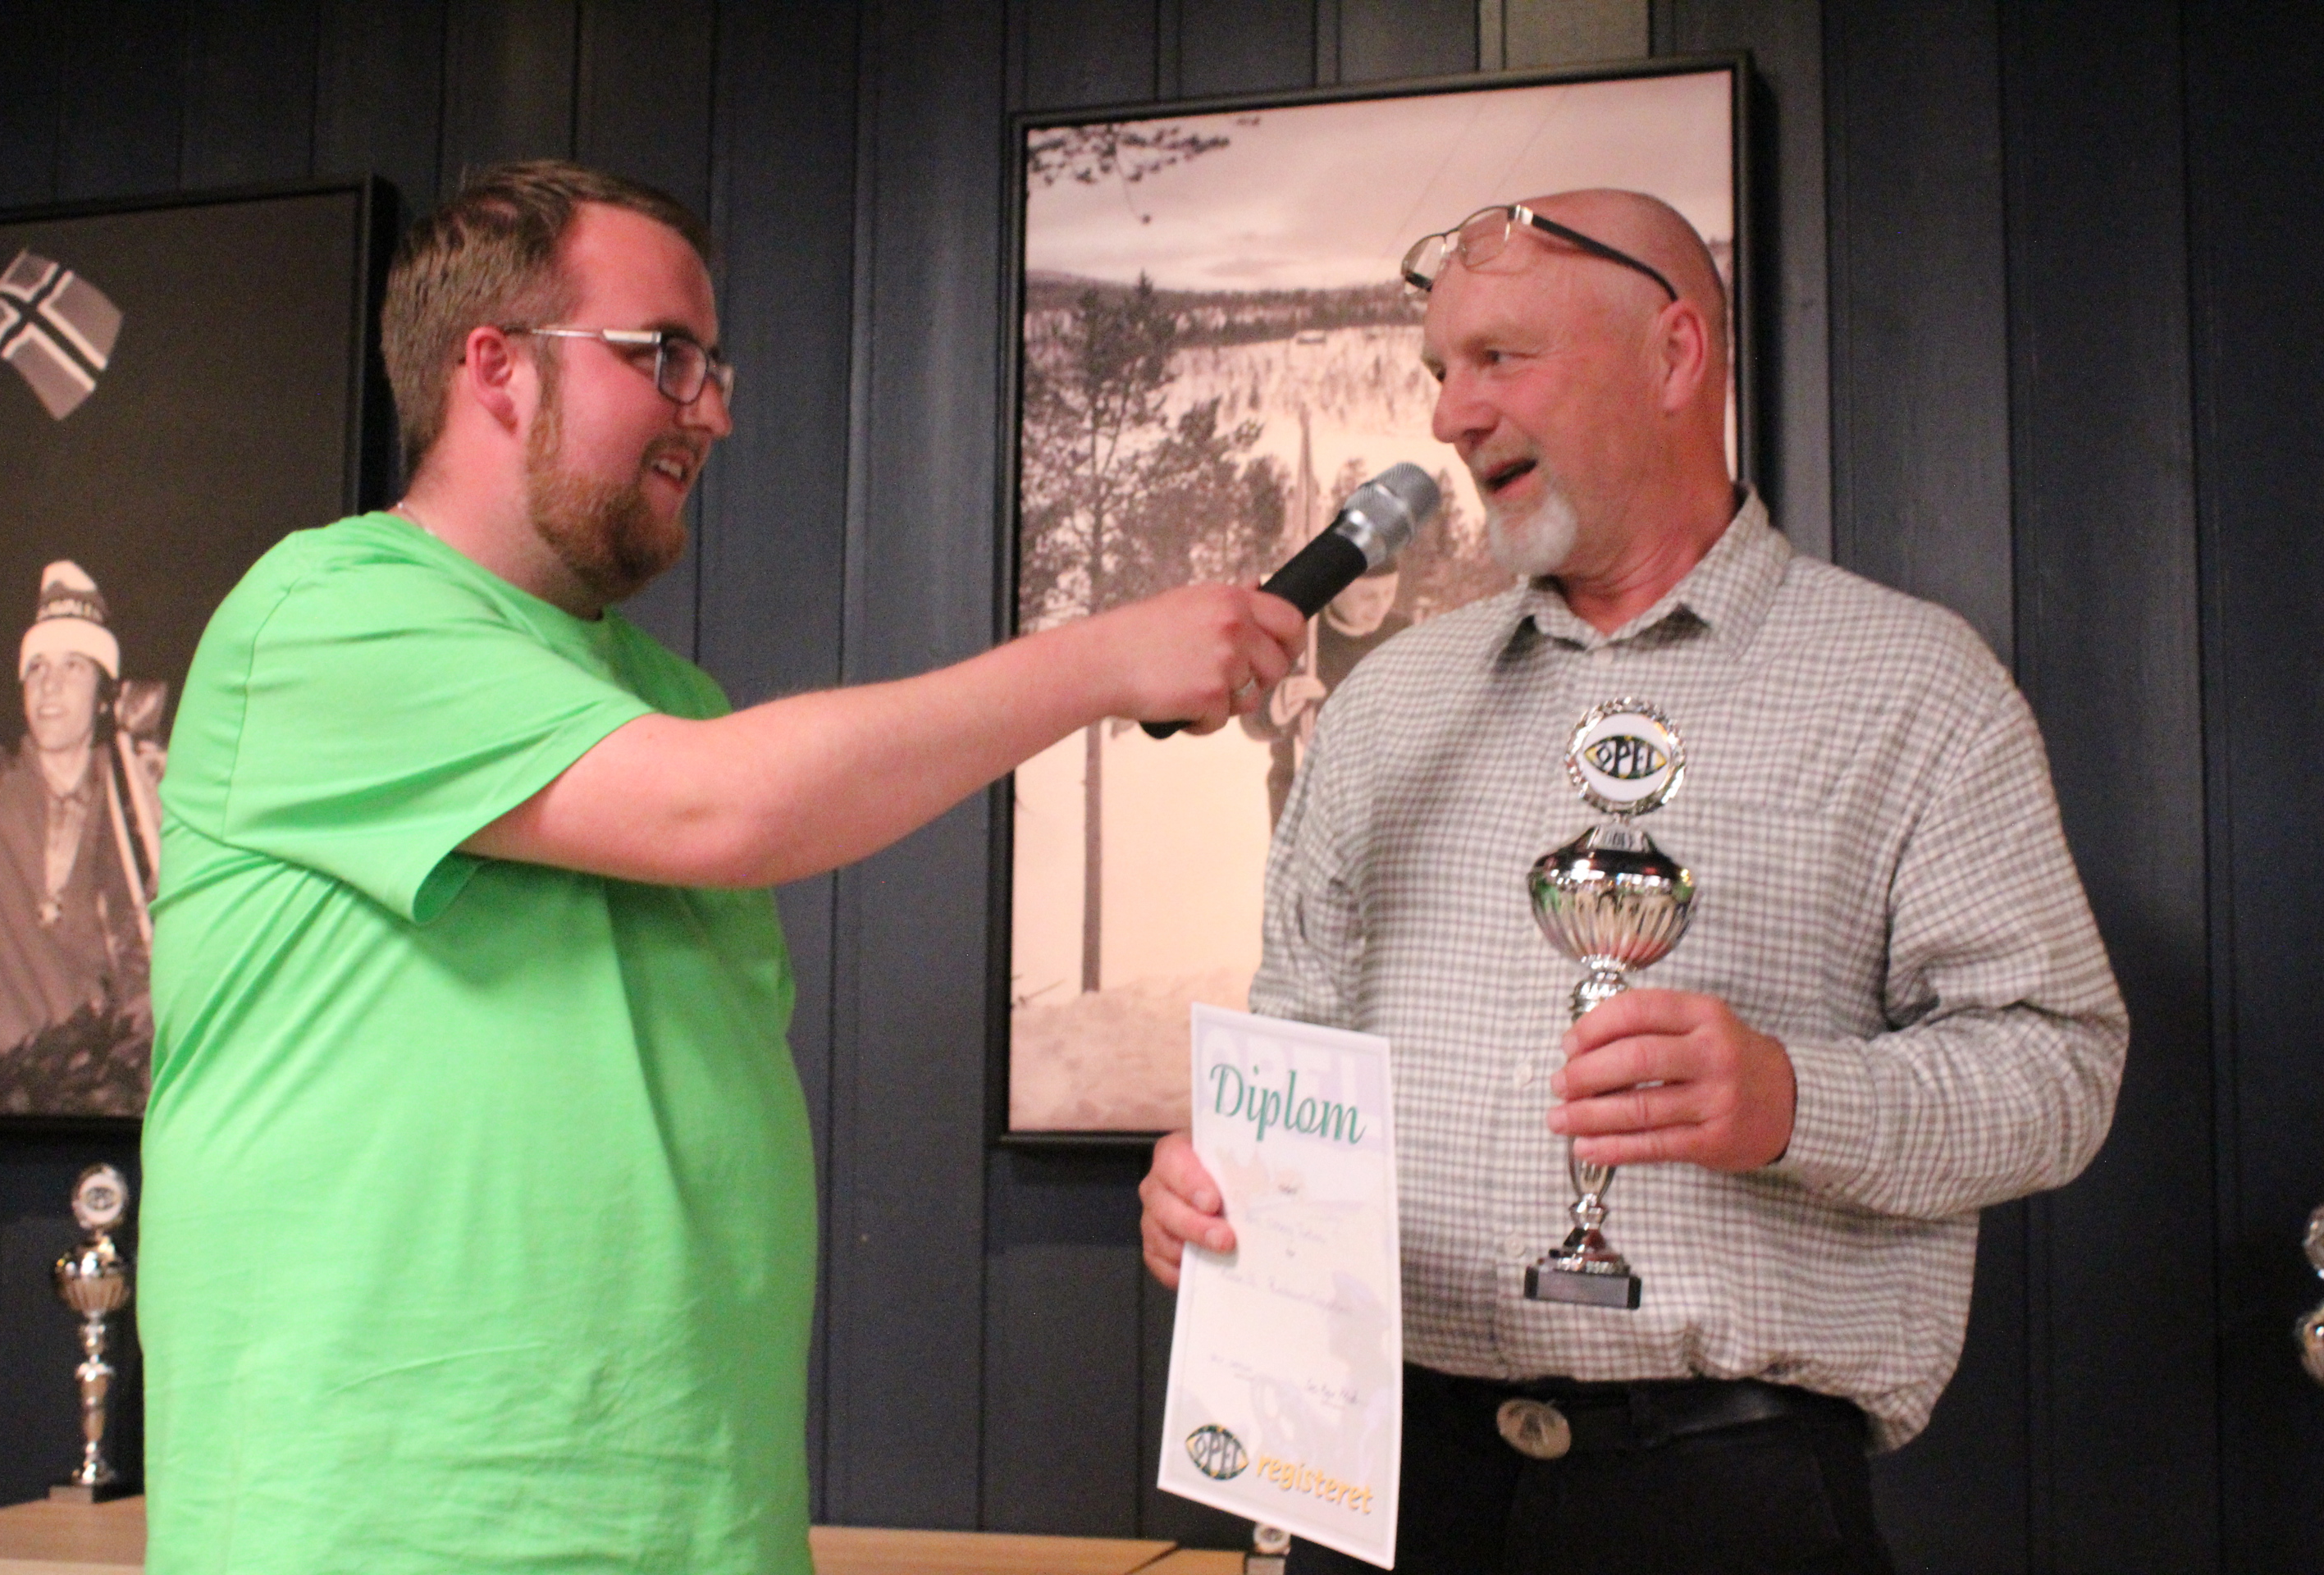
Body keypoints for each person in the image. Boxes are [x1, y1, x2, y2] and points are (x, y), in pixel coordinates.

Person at [138, 161, 1303, 1575]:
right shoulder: (325, 615)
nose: (713, 410)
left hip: (692, 1526)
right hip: (386, 1530)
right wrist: (1103, 661)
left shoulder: (669, 700)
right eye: (664, 356)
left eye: (713, 365)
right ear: (493, 366)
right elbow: (722, 810)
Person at [1139, 192, 2125, 1574]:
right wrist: (1221, 1181)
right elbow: (1294, 1042)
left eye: (1500, 358)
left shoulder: (1916, 687)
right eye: (1440, 370)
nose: (1452, 416)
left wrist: (1792, 1102)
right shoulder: (1386, 707)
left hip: (1728, 1502)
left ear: (1675, 356)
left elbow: (2061, 1069)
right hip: (1382, 1484)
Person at [0, 560, 159, 1071]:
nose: (49, 686)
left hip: (98, 1085)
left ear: (103, 696)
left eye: (73, 666)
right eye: (38, 667)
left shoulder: (134, 806)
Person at [1241, 557, 1411, 827]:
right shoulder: (1298, 635)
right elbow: (1252, 719)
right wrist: (1278, 706)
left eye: (1389, 592)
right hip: (1305, 806)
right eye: (1367, 596)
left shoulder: (1403, 633)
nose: (1380, 607)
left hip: (1383, 804)